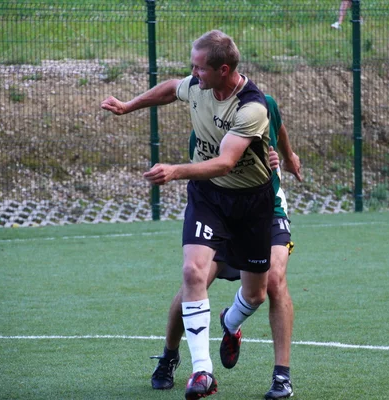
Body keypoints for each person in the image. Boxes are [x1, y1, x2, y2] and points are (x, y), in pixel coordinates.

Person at [101, 30, 275, 399]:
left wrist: (176, 170)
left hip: (250, 204)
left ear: (223, 69)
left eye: (198, 68)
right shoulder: (197, 86)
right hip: (208, 197)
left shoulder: (252, 107)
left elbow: (226, 163)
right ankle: (202, 372)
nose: (192, 74)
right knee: (192, 272)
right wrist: (129, 105)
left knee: (258, 294)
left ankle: (231, 322)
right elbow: (170, 88)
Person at [150, 95, 302, 400]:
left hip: (265, 209)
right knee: (195, 278)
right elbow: (221, 165)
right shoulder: (204, 120)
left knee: (270, 282)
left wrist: (286, 156)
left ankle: (274, 369)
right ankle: (170, 355)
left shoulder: (259, 105)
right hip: (221, 212)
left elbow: (279, 128)